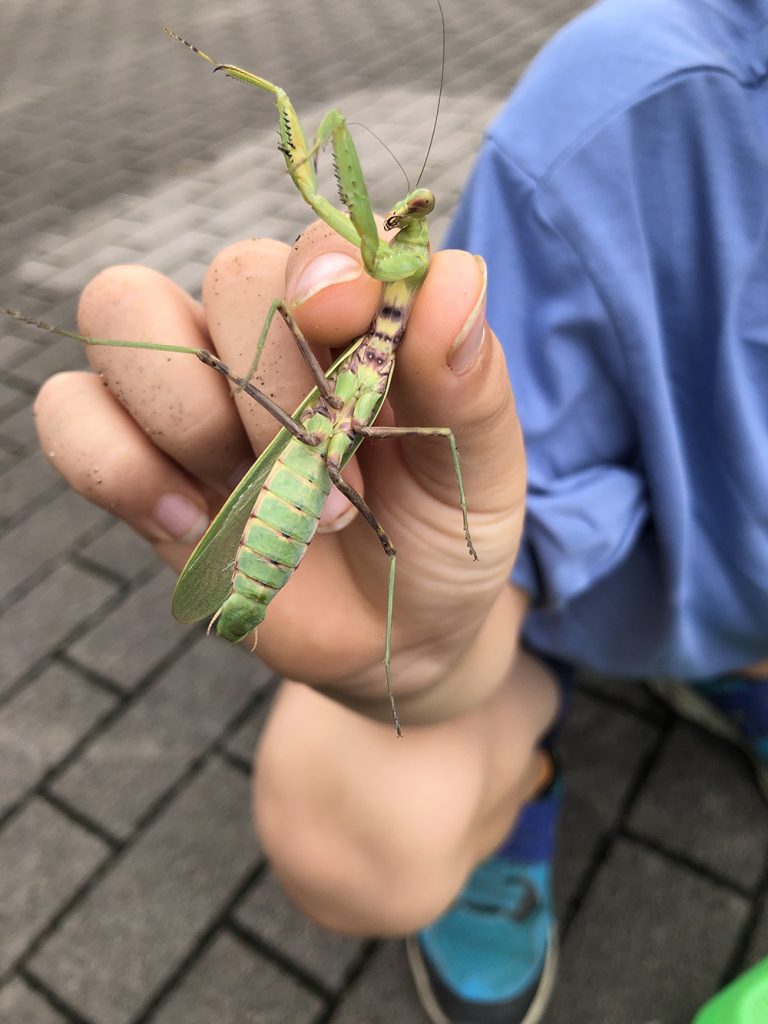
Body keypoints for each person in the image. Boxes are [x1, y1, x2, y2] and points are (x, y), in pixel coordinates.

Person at [32, 0, 768, 1021]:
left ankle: (723, 671)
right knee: (356, 799)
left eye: (416, 218)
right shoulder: (633, 112)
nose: (411, 215)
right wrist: (436, 644)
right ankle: (461, 690)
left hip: (352, 441)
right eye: (410, 215)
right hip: (344, 457)